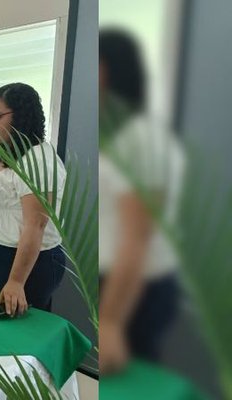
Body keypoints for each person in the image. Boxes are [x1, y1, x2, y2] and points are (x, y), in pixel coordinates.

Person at [98, 29, 182, 374]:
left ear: (112, 70)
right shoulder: (118, 134)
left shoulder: (140, 138)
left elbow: (138, 237)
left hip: (137, 290)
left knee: (130, 382)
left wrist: (113, 319)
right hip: (118, 280)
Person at [0, 82, 67, 317]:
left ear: (22, 116)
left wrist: (15, 281)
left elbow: (36, 225)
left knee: (16, 333)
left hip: (28, 261)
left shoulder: (38, 160)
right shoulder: (3, 150)